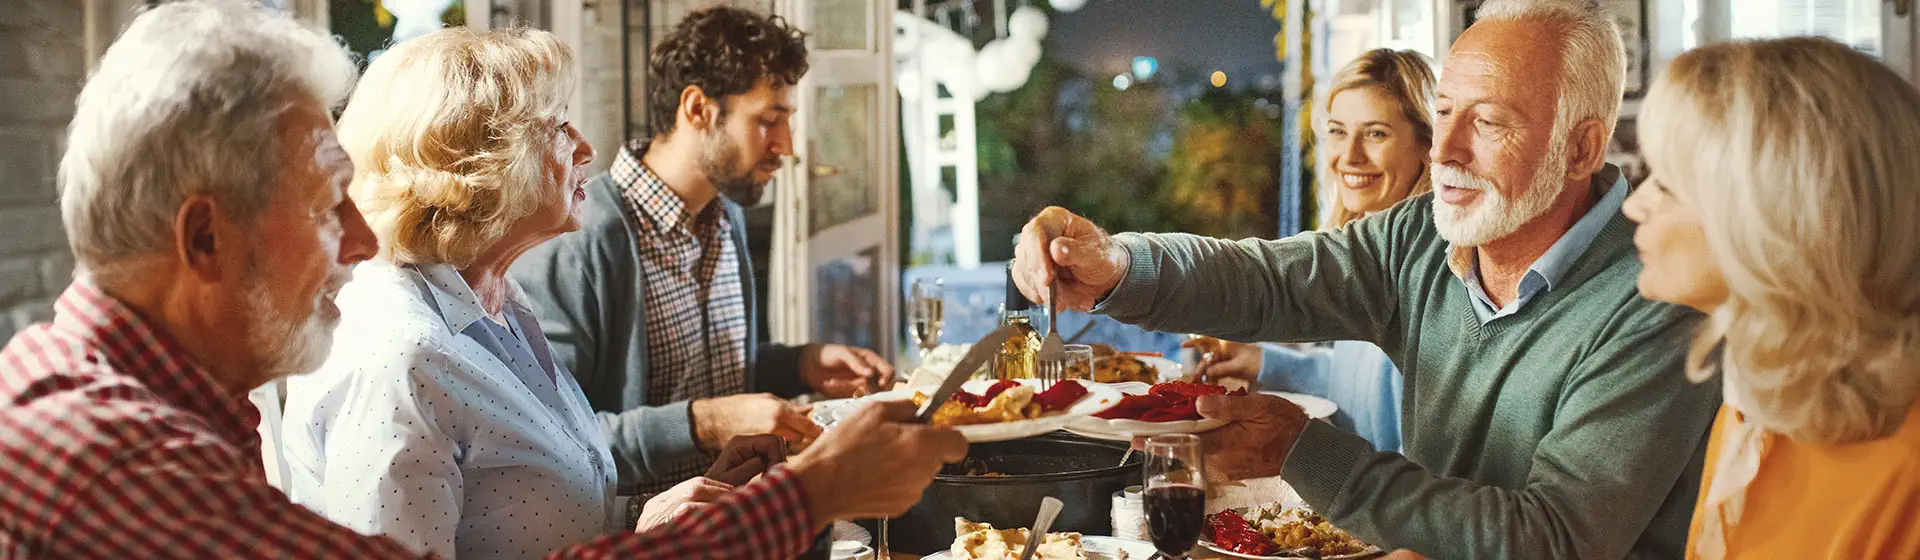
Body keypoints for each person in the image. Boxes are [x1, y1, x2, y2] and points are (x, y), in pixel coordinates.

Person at [0, 2, 966, 558]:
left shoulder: (483, 313)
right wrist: (806, 496)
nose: (354, 235)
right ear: (205, 237)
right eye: (322, 202)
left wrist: (645, 514)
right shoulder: (114, 455)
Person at [1011, 0, 1721, 557]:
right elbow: (1268, 280)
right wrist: (1116, 264)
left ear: (1581, 148)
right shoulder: (1420, 235)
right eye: (1443, 113)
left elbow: (1555, 539)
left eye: (1489, 122)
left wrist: (1300, 451)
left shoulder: (1657, 295)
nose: (1445, 149)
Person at [276, 27, 766, 558]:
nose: (586, 147)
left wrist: (657, 515)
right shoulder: (401, 358)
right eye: (558, 126)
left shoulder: (494, 298)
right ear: (478, 164)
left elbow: (538, 518)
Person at [509, 5, 893, 496]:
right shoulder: (579, 244)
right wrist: (700, 424)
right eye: (769, 121)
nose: (787, 144)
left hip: (742, 521)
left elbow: (702, 371)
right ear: (697, 110)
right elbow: (552, 439)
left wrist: (802, 364)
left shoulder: (723, 213)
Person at [1622, 37, 1920, 559]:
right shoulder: (1759, 394)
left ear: (1773, 218)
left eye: (1664, 185)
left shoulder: (1903, 472)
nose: (1634, 206)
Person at [1186, 48, 1436, 451]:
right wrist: (1265, 362)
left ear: (1427, 146)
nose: (1349, 156)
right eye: (1338, 131)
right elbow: (1362, 384)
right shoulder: (1361, 252)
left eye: (1376, 133)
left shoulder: (1430, 271)